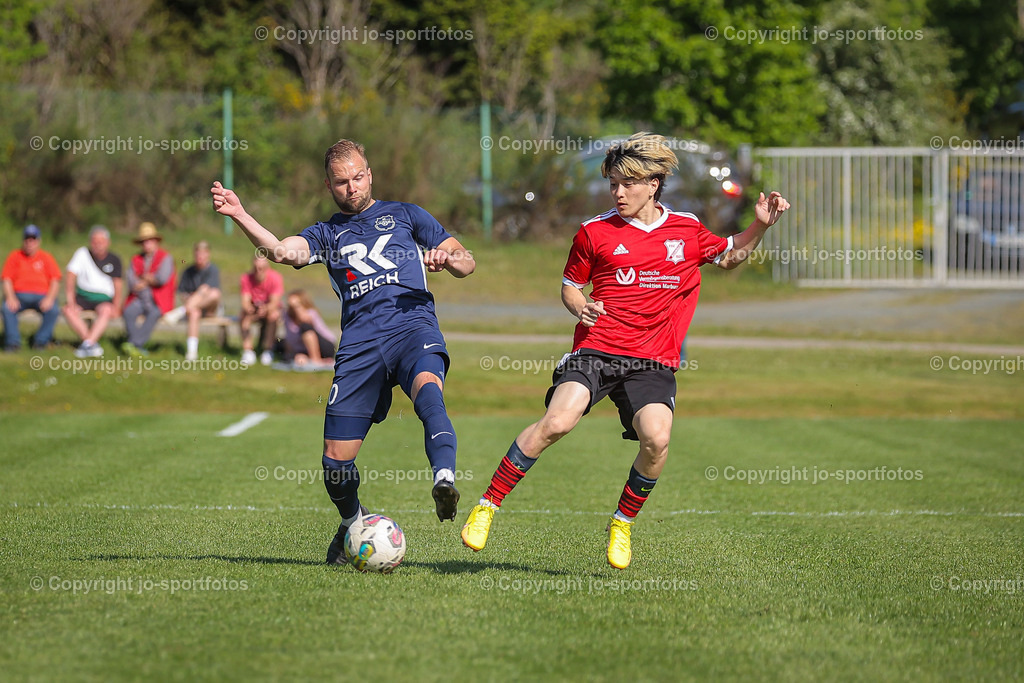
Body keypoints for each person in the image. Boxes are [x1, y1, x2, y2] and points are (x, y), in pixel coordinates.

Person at [460, 132, 790, 569]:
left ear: (653, 184)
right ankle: (487, 505)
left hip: (651, 361)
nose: (618, 192)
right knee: (557, 421)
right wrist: (581, 307)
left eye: (627, 183)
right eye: (613, 183)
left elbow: (728, 257)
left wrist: (760, 226)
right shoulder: (593, 232)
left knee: (657, 439)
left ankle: (622, 521)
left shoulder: (686, 229)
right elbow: (570, 286)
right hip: (597, 351)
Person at [210, 137, 475, 566]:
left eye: (357, 177)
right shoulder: (326, 232)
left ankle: (444, 478)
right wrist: (240, 213)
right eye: (341, 182)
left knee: (429, 392)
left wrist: (448, 259)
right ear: (329, 186)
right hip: (359, 347)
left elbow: (466, 261)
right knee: (335, 461)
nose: (351, 187)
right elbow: (281, 251)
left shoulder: (407, 215)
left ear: (369, 174)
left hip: (412, 327)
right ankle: (353, 521)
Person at [63, 225, 123, 358]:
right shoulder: (82, 254)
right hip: (82, 297)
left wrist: (116, 306)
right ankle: (90, 343)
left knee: (106, 311)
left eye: (101, 242)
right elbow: (70, 274)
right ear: (90, 242)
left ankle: (87, 344)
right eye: (95, 242)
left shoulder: (114, 259)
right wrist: (70, 299)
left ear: (108, 243)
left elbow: (118, 284)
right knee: (68, 310)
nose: (98, 245)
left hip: (103, 299)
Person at [2, 224, 62, 351]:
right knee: (7, 308)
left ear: (38, 241)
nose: (30, 242)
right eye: (27, 239)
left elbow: (55, 280)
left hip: (42, 296)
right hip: (19, 296)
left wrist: (50, 298)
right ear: (23, 241)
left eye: (33, 239)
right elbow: (6, 279)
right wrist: (10, 297)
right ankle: (13, 343)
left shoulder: (46, 257)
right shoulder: (15, 256)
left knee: (53, 310)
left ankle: (41, 342)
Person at [122, 222, 176, 357]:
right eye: (144, 241)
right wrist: (149, 280)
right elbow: (131, 280)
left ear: (156, 241)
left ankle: (134, 344)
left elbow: (162, 278)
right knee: (128, 312)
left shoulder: (165, 257)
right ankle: (136, 346)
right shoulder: (136, 259)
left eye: (150, 240)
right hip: (139, 298)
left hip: (158, 300)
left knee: (153, 314)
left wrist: (144, 280)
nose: (147, 244)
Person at [164, 241, 222, 361]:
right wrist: (189, 300)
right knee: (194, 312)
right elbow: (182, 292)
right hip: (194, 308)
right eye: (197, 254)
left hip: (210, 308)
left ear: (208, 254)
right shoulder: (188, 271)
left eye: (202, 254)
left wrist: (192, 299)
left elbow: (205, 290)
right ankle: (192, 352)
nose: (199, 257)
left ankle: (182, 310)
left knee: (214, 293)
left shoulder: (213, 270)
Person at [239, 254, 283, 366]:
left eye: (261, 268)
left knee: (274, 314)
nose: (259, 271)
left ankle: (268, 350)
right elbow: (245, 301)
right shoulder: (246, 278)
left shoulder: (275, 277)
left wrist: (266, 308)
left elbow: (274, 302)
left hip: (269, 308)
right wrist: (250, 309)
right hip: (253, 308)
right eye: (256, 268)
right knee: (243, 317)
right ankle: (248, 350)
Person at [282, 289, 336, 366]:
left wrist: (297, 307)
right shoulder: (287, 316)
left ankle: (315, 359)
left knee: (305, 327)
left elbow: (304, 319)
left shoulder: (310, 312)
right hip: (303, 348)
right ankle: (309, 359)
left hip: (324, 346)